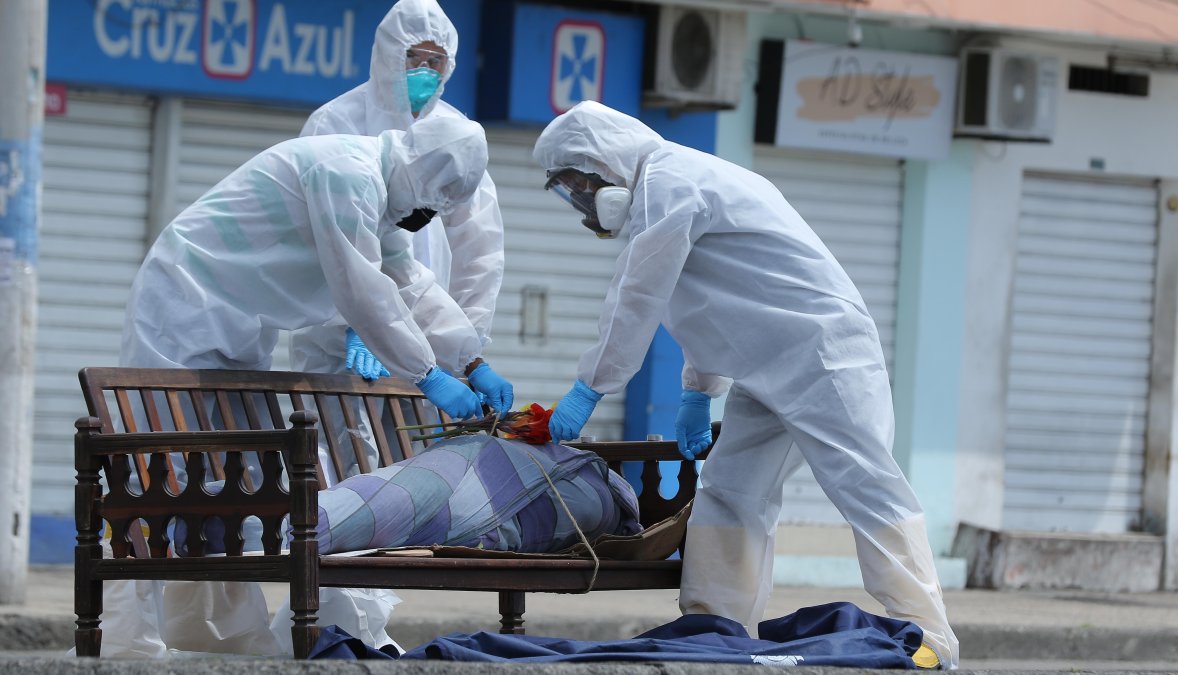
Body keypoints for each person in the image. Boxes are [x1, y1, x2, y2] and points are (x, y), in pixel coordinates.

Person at [533, 101, 959, 668]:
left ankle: (930, 637)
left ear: (606, 160)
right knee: (732, 490)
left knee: (866, 486)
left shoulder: (670, 180)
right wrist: (698, 389)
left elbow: (638, 295)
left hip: (820, 353)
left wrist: (592, 387)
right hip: (767, 366)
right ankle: (718, 628)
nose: (584, 203)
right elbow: (704, 303)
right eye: (570, 192)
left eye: (581, 185)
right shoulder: (665, 188)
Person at [108, 115, 505, 657]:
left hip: (238, 320)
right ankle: (126, 647)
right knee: (162, 478)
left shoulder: (384, 192)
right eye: (431, 203)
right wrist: (428, 374)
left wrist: (472, 360)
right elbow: (362, 289)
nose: (425, 217)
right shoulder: (347, 172)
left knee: (233, 480)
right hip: (182, 304)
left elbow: (409, 283)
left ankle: (218, 644)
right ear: (418, 170)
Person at [290, 0, 508, 438]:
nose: (425, 70)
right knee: (337, 452)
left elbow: (479, 249)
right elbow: (327, 242)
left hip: (426, 329)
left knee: (417, 464)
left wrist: (467, 351)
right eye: (414, 57)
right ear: (389, 52)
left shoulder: (458, 136)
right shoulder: (336, 123)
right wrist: (347, 322)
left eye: (436, 60)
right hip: (338, 342)